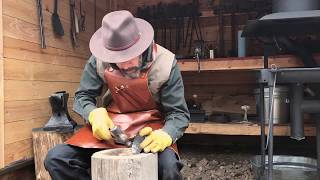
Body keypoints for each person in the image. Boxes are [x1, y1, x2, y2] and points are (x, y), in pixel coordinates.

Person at [44, 10, 190, 180]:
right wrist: (93, 113)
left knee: (169, 169)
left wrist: (167, 134)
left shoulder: (165, 63)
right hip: (112, 128)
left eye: (130, 56)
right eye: (118, 57)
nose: (125, 64)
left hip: (151, 130)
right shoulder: (99, 59)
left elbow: (179, 114)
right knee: (57, 159)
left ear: (142, 45)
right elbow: (83, 96)